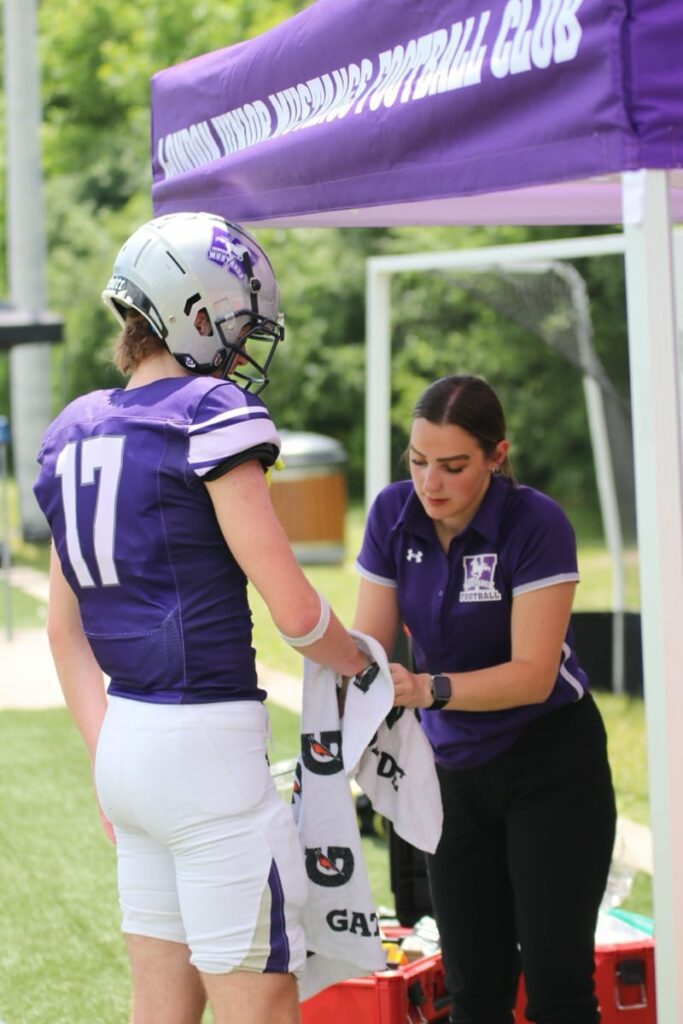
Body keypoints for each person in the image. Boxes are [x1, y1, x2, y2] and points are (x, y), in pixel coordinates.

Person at [33, 211, 371, 1024]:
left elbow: (64, 631)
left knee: (161, 1011)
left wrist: (105, 758)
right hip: (208, 751)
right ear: (195, 313)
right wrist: (363, 664)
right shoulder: (208, 410)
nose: (243, 345)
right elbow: (295, 611)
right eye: (239, 324)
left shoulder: (73, 429)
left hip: (126, 747)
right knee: (261, 1007)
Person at [352, 374, 617, 1024]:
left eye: (453, 466)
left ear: (497, 456)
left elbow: (531, 676)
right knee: (473, 993)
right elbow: (370, 648)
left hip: (549, 765)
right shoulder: (392, 514)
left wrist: (427, 689)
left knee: (558, 992)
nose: (430, 483)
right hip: (449, 773)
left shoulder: (536, 522)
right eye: (418, 461)